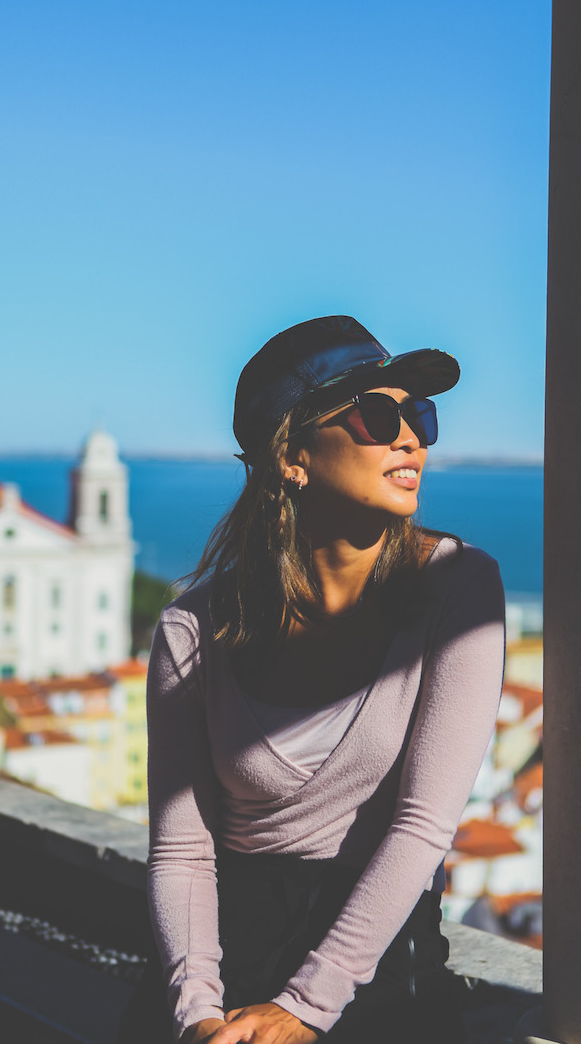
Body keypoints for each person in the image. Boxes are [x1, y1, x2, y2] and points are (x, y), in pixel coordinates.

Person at [146, 314, 505, 1044]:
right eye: (378, 413)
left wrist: (304, 1009)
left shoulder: (459, 591)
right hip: (222, 966)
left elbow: (422, 824)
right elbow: (182, 850)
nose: (411, 437)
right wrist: (199, 1016)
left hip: (374, 970)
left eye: (419, 414)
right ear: (293, 455)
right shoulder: (192, 632)